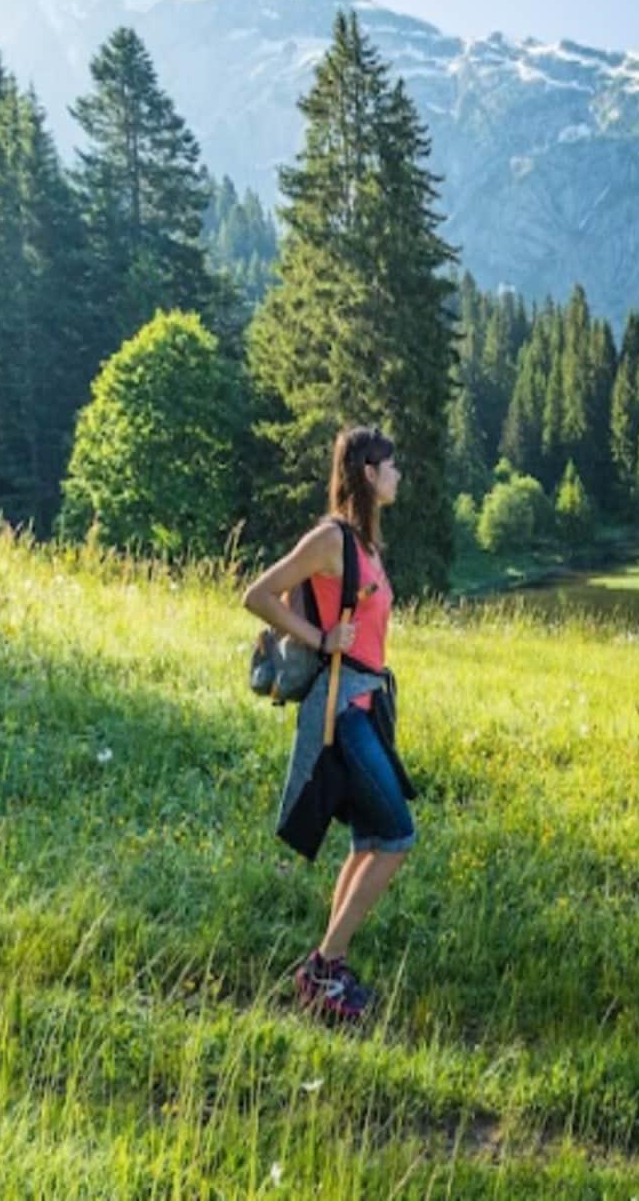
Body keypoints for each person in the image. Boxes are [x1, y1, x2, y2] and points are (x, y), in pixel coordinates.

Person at [243, 426, 416, 1023]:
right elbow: (258, 595)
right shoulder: (331, 539)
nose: (397, 475)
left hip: (368, 704)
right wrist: (320, 638)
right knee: (397, 838)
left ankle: (327, 971)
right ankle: (323, 965)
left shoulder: (367, 545)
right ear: (368, 473)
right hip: (340, 710)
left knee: (369, 841)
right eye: (390, 466)